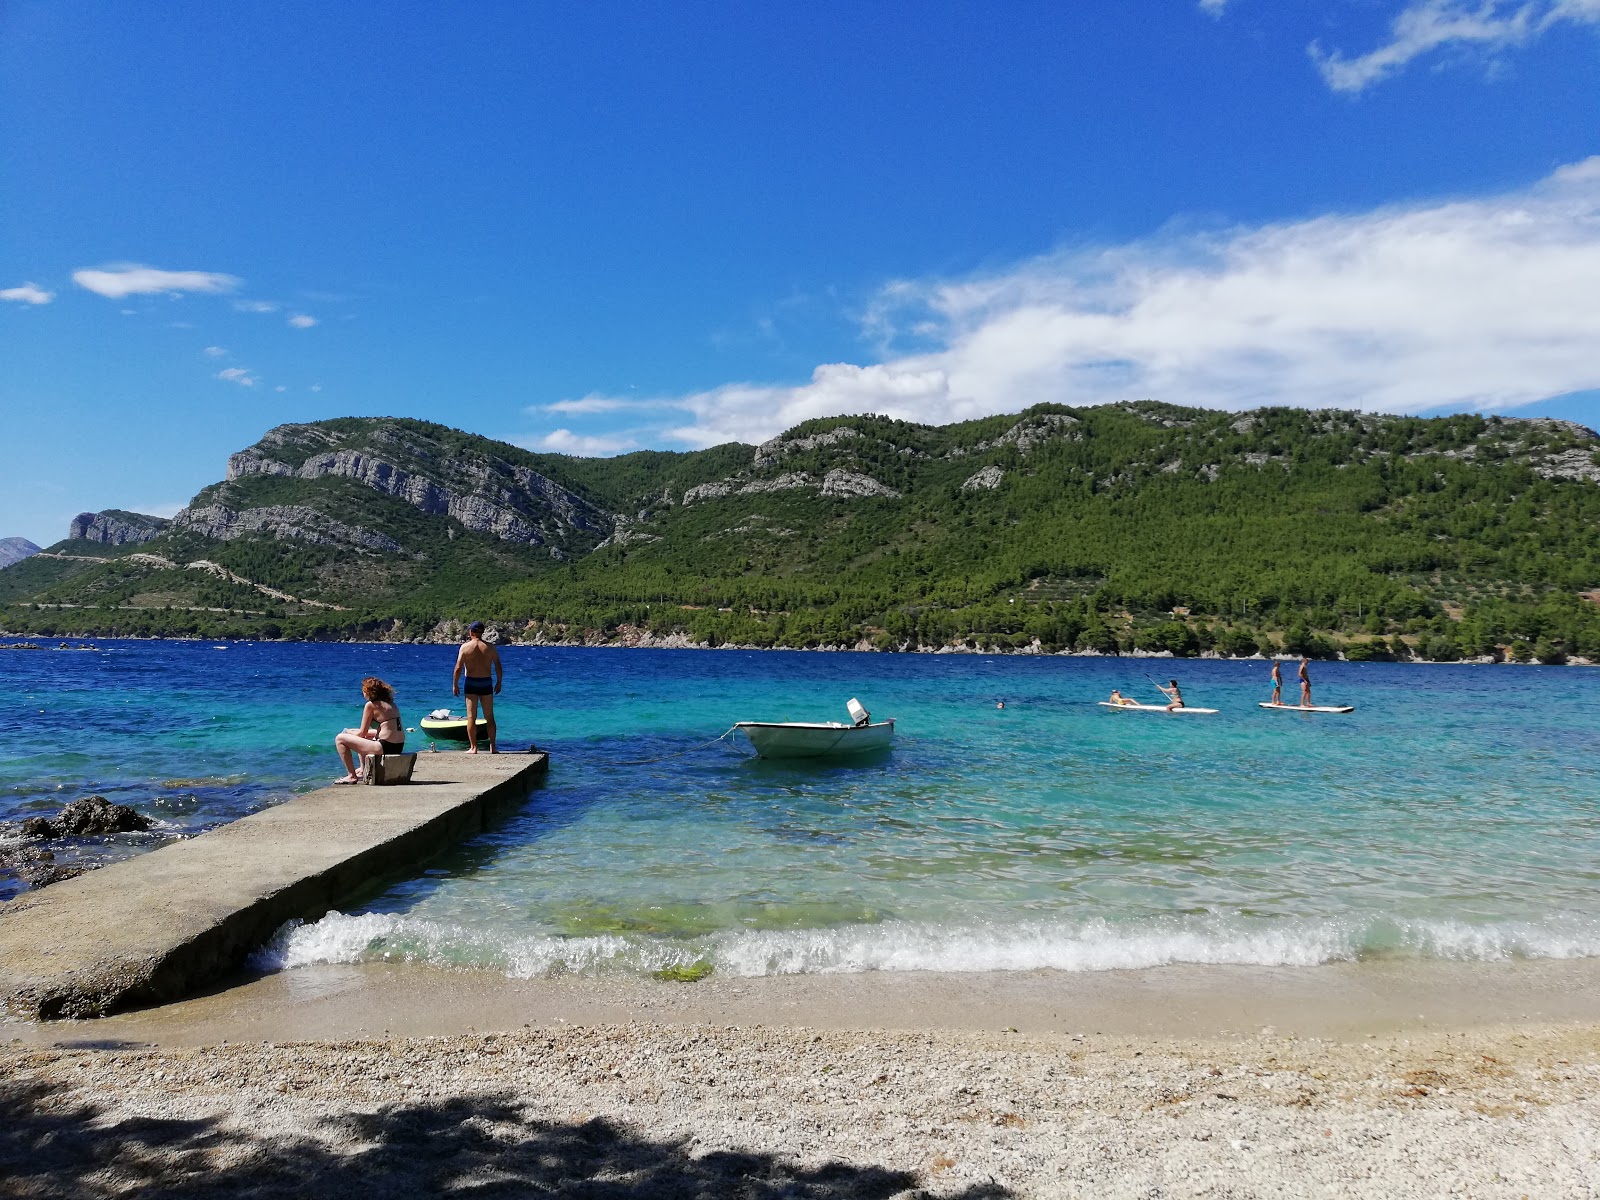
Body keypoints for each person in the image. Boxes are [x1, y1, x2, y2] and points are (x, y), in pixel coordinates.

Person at [334, 677, 404, 784]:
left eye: (364, 689)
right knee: (358, 735)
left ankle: (351, 776)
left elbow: (362, 733)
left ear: (369, 691)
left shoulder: (371, 705)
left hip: (385, 747)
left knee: (340, 739)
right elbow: (386, 729)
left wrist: (347, 732)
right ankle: (362, 770)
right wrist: (352, 731)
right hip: (397, 746)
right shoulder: (391, 704)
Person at [452, 620, 503, 753]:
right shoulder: (490, 647)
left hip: (471, 682)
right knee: (489, 716)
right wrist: (499, 682)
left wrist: (455, 684)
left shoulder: (465, 647)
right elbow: (498, 665)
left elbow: (458, 668)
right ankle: (493, 746)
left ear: (471, 632)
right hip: (486, 682)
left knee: (471, 717)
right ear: (482, 632)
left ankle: (473, 747)